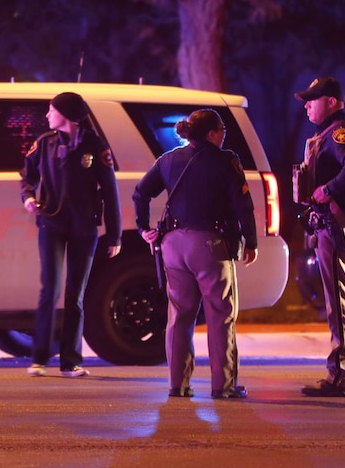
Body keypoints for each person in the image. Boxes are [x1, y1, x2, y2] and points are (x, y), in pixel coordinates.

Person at [132, 108, 258, 399]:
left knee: (179, 316)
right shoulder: (226, 161)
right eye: (222, 131)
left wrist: (143, 229)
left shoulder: (168, 159)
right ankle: (222, 386)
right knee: (220, 315)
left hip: (173, 246)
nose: (224, 136)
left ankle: (178, 384)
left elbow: (141, 193)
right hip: (210, 246)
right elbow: (243, 205)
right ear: (212, 133)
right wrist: (250, 241)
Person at [20, 92, 122, 378]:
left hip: (84, 228)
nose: (47, 115)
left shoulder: (95, 146)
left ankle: (71, 361)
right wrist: (28, 198)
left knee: (75, 294)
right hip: (51, 223)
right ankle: (39, 358)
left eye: (51, 110)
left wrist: (114, 235)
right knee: (49, 290)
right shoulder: (45, 143)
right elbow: (27, 176)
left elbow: (110, 192)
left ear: (66, 114)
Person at [295, 76, 345, 397]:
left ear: (331, 101)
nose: (307, 105)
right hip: (342, 225)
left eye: (313, 99)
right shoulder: (328, 134)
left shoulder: (340, 132)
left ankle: (340, 376)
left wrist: (328, 189)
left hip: (337, 226)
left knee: (339, 301)